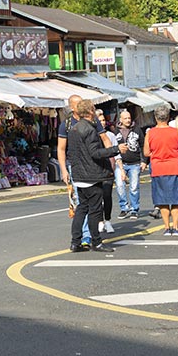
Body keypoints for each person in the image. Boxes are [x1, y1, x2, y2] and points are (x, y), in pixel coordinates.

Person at [66, 99, 127, 252]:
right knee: (94, 210)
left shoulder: (73, 129)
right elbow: (95, 153)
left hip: (79, 175)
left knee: (82, 208)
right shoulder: (90, 129)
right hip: (92, 175)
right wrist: (116, 149)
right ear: (91, 111)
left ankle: (75, 241)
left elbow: (71, 153)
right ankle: (97, 242)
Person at [145, 105, 178, 236]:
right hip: (175, 167)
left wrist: (157, 155)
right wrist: (174, 155)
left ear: (155, 117)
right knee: (176, 199)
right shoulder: (176, 132)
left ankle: (166, 227)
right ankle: (176, 226)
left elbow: (146, 152)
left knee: (162, 199)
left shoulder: (150, 133)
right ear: (168, 117)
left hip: (158, 168)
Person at [57, 95, 92, 245]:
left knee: (95, 200)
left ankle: (93, 230)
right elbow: (61, 149)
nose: (81, 106)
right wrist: (63, 170)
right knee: (80, 199)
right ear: (72, 107)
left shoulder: (92, 121)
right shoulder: (66, 125)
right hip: (75, 166)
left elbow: (103, 139)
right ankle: (86, 235)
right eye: (77, 104)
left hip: (92, 165)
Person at [114, 109, 142, 219]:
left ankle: (134, 209)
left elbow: (143, 144)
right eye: (125, 118)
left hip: (134, 163)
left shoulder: (137, 129)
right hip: (120, 163)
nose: (128, 120)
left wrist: (144, 161)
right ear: (120, 120)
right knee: (120, 186)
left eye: (129, 118)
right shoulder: (115, 131)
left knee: (134, 187)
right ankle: (124, 208)